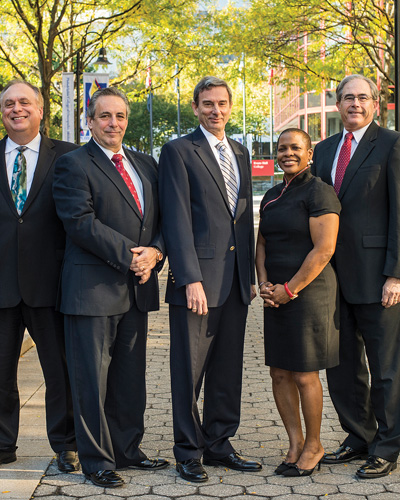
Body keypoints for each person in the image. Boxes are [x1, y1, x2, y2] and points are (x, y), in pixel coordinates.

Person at [52, 87, 168, 488]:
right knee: (91, 380)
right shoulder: (72, 164)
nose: (113, 123)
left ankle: (127, 450)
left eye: (120, 116)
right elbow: (79, 221)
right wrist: (131, 255)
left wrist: (154, 252)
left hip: (137, 288)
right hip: (92, 289)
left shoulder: (145, 164)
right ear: (89, 120)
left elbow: (163, 220)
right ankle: (97, 461)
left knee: (129, 377)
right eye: (104, 116)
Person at [159, 76, 261, 483]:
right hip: (197, 283)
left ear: (230, 107)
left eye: (221, 104)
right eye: (207, 104)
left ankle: (219, 444)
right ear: (195, 108)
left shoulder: (240, 150)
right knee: (189, 371)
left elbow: (242, 220)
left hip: (235, 282)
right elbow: (176, 217)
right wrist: (189, 279)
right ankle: (187, 451)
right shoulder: (179, 151)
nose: (215, 110)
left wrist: (249, 275)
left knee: (227, 369)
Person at [312, 74, 400, 479]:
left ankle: (387, 445)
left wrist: (395, 275)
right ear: (337, 104)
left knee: (384, 368)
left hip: (378, 278)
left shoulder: (392, 144)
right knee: (343, 366)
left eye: (363, 97)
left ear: (375, 102)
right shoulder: (325, 149)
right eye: (348, 98)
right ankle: (358, 435)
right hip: (331, 279)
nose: (355, 104)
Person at [0, 80, 78, 471]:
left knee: (59, 371)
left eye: (25, 102)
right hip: (0, 286)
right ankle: (2, 446)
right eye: (9, 103)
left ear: (41, 109)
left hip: (51, 283)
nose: (17, 109)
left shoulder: (68, 156)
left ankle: (66, 445)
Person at [256, 128, 340, 477]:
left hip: (308, 294)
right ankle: (294, 442)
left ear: (309, 154)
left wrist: (289, 289)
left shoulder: (319, 191)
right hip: (275, 296)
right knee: (279, 372)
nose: (287, 153)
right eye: (282, 148)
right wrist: (264, 283)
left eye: (295, 148)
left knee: (305, 374)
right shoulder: (272, 195)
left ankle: (315, 445)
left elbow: (324, 249)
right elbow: (261, 243)